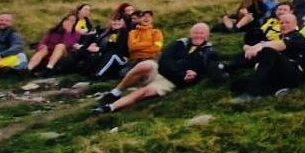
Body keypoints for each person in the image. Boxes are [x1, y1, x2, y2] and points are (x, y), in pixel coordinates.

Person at [94, 23, 223, 114]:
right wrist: (182, 74)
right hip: (163, 72)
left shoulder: (209, 52)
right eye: (195, 32)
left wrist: (195, 75)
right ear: (190, 33)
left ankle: (109, 108)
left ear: (207, 35)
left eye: (201, 33)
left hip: (170, 82)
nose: (198, 35)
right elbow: (164, 60)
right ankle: (116, 91)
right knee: (146, 64)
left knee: (143, 92)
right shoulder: (180, 43)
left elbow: (206, 71)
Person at [231, 13, 305, 101]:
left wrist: (260, 45)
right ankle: (278, 89)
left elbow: (281, 45)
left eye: (287, 22)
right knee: (236, 86)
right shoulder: (282, 37)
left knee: (269, 52)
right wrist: (250, 48)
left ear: (296, 24)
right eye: (281, 23)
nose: (284, 25)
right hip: (282, 72)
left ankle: (251, 93)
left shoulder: (297, 36)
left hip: (297, 74)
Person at [77, 14, 130, 79]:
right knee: (90, 52)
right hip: (106, 54)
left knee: (111, 55)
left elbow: (117, 49)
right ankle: (84, 72)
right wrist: (94, 43)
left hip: (120, 58)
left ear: (123, 22)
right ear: (110, 21)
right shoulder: (107, 31)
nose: (116, 22)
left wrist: (99, 49)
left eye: (119, 21)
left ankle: (98, 75)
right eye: (114, 20)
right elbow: (98, 40)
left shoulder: (123, 32)